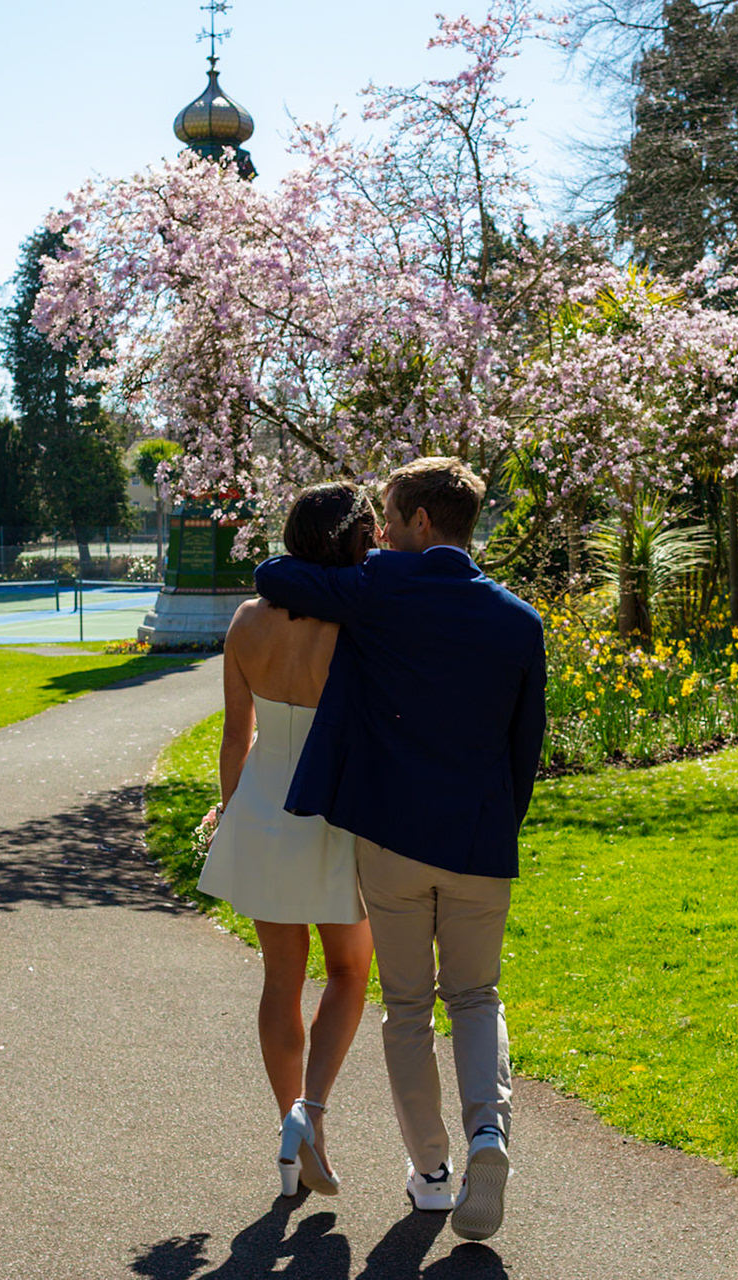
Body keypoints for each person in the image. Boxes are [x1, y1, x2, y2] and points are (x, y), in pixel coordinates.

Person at [253, 457, 546, 1243]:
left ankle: (433, 1174)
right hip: (481, 840)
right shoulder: (520, 621)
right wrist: (496, 826)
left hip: (392, 841)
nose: (379, 532)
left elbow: (276, 571)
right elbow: (527, 750)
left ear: (419, 523)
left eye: (387, 517)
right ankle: (490, 1133)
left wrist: (362, 558)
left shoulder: (382, 586)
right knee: (477, 997)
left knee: (409, 1009)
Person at [198, 482, 378, 1198]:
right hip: (336, 812)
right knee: (348, 972)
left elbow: (234, 736)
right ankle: (313, 1112)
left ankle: (287, 1125)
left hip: (264, 807)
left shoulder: (246, 621)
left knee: (281, 977)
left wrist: (227, 812)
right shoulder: (361, 624)